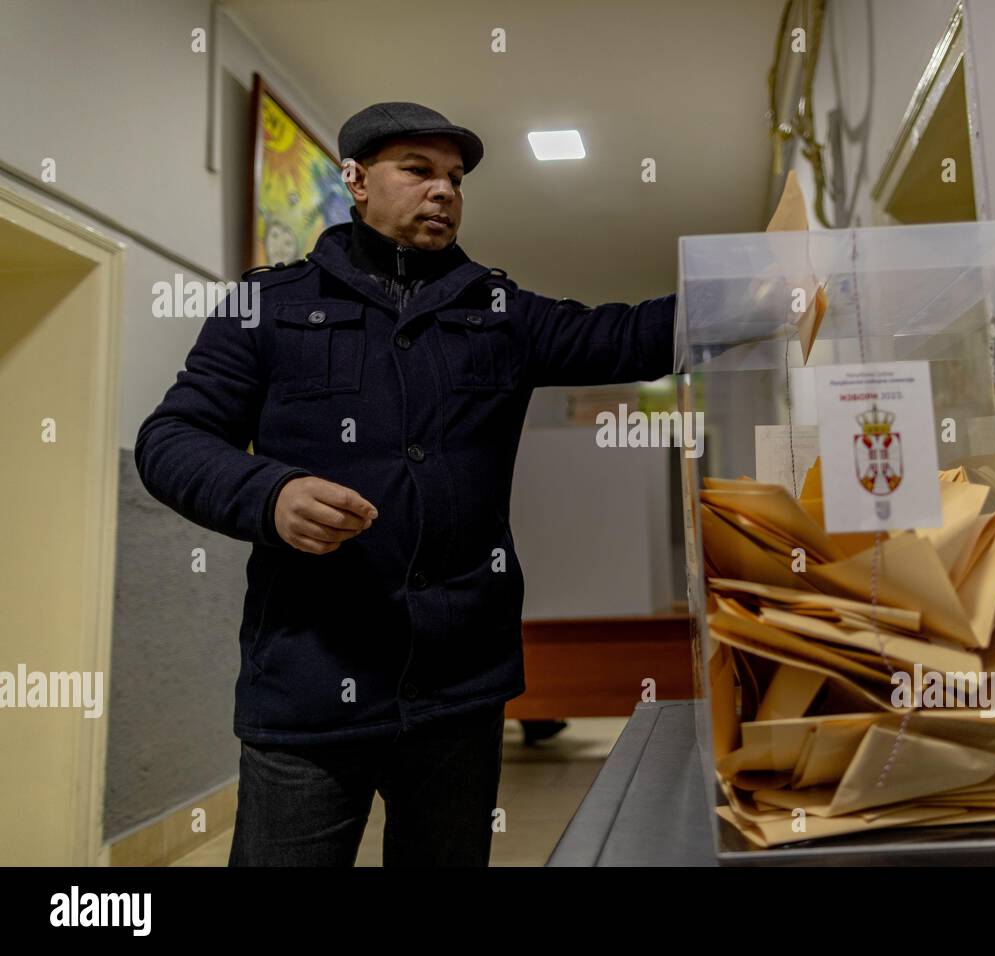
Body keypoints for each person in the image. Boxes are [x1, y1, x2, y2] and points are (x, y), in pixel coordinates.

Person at [134, 102, 676, 866]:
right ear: (354, 180)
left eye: (454, 177)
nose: (444, 190)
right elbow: (170, 440)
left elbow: (627, 334)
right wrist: (271, 495)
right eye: (418, 170)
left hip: (460, 691)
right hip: (311, 683)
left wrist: (755, 292)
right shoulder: (268, 307)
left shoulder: (499, 311)